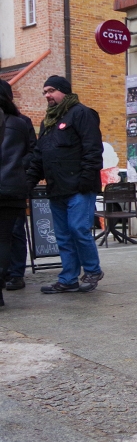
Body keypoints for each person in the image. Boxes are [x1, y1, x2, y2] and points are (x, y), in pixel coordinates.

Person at [25, 76, 104, 294]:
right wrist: (28, 183)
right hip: (56, 188)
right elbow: (39, 156)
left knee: (78, 229)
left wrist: (85, 182)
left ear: (64, 92)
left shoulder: (82, 113)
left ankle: (92, 270)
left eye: (51, 90)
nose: (47, 95)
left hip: (78, 188)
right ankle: (68, 278)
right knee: (63, 235)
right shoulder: (48, 122)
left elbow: (93, 150)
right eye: (45, 92)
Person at [0, 80, 34, 294]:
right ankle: (11, 276)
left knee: (11, 235)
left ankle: (15, 274)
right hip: (13, 189)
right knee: (8, 236)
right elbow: (33, 151)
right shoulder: (21, 123)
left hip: (12, 185)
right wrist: (20, 169)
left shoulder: (20, 123)